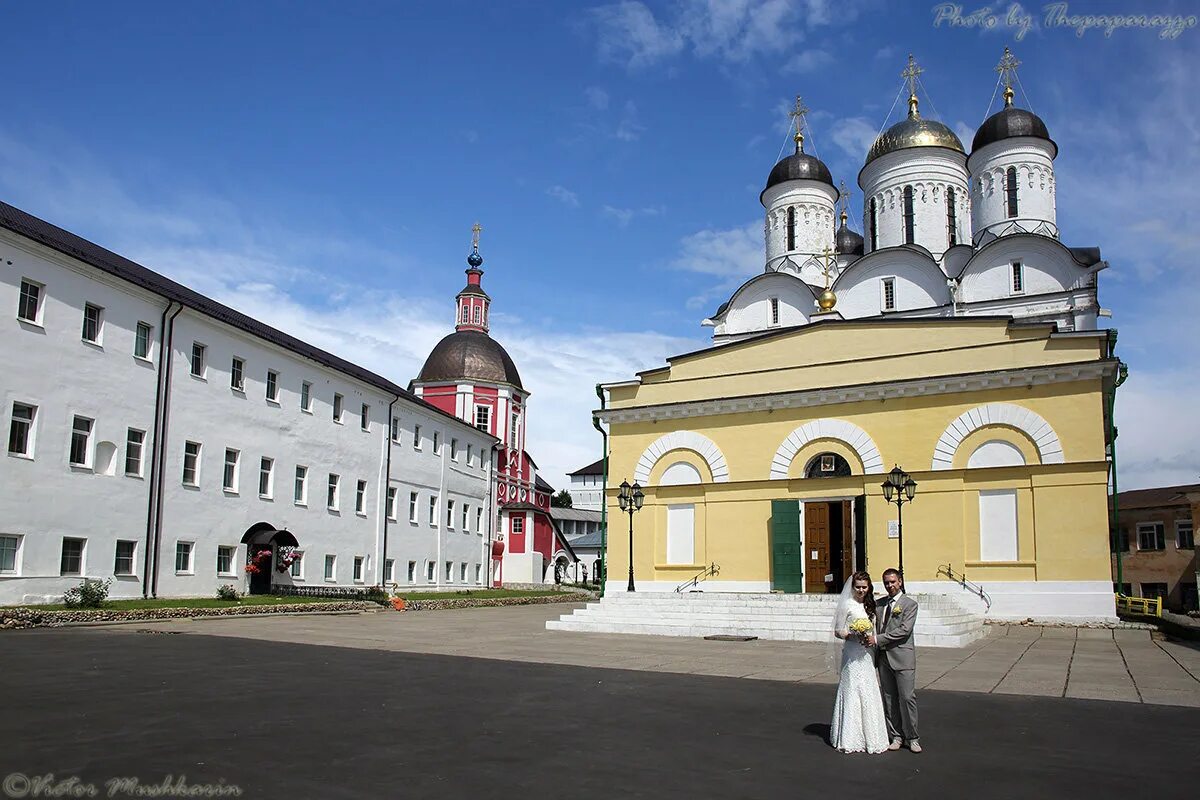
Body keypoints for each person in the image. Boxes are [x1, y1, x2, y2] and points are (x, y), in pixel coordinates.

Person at [829, 571, 889, 754]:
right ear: (852, 587)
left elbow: (876, 628)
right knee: (852, 688)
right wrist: (852, 634)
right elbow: (838, 630)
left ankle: (872, 735)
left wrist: (870, 637)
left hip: (866, 653)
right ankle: (849, 735)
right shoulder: (847, 604)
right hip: (852, 651)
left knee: (868, 688)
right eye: (858, 587)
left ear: (869, 587)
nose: (861, 590)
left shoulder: (872, 605)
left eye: (864, 587)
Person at [870, 568, 921, 753]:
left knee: (907, 698)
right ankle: (896, 736)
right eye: (886, 583)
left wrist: (877, 639)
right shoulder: (879, 604)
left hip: (903, 658)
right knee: (889, 699)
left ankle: (913, 737)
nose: (889, 585)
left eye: (892, 582)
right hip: (883, 658)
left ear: (899, 582)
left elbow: (904, 631)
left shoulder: (910, 604)